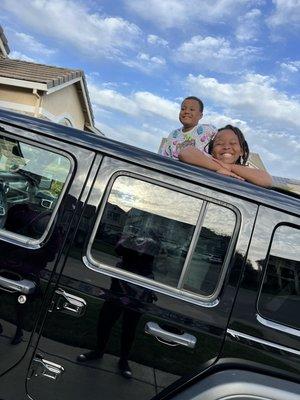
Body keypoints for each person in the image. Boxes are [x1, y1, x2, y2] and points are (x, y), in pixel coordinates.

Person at [179, 125, 273, 188]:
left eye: (233, 143)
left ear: (242, 151)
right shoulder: (205, 161)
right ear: (211, 150)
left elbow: (266, 180)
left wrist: (229, 167)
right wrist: (219, 168)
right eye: (219, 143)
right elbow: (186, 152)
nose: (227, 147)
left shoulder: (245, 172)